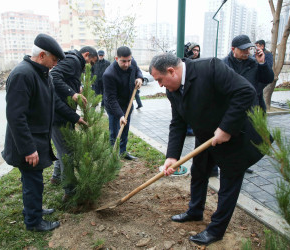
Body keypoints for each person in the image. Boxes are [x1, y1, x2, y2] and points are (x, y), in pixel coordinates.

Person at [149, 53, 266, 246]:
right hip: (206, 137)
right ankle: (195, 211)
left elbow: (246, 91)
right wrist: (171, 156)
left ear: (171, 71)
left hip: (234, 136)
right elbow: (178, 123)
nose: (160, 85)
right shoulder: (173, 90)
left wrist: (226, 127)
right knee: (199, 172)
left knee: (228, 185)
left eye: (160, 80)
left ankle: (216, 230)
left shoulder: (210, 68)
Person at [2, 33, 77, 232]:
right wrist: (28, 148)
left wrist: (75, 117)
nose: (55, 64)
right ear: (42, 55)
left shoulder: (42, 74)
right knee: (32, 182)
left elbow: (53, 103)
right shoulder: (22, 75)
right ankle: (34, 221)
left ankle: (34, 210)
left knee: (34, 181)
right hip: (26, 143)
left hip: (37, 140)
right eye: (54, 60)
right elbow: (16, 116)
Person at [49, 46, 98, 202]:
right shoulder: (74, 60)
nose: (90, 66)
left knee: (62, 148)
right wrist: (73, 93)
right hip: (59, 115)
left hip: (63, 114)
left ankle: (56, 177)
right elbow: (54, 76)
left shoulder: (72, 60)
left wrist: (77, 88)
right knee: (67, 153)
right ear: (86, 55)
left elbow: (64, 79)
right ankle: (69, 191)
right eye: (91, 62)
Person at [223, 35, 274, 174]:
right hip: (230, 108)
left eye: (249, 49)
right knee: (229, 139)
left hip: (250, 108)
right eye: (243, 49)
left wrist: (262, 63)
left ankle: (243, 164)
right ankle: (225, 165)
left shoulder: (254, 63)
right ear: (233, 49)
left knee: (246, 139)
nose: (247, 52)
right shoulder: (223, 64)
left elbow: (268, 78)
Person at [103, 46, 143, 160]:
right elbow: (111, 99)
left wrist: (139, 78)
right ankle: (113, 155)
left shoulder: (132, 62)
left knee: (125, 129)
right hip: (114, 106)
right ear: (116, 58)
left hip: (127, 103)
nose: (127, 64)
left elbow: (138, 71)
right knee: (115, 131)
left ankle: (123, 152)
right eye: (123, 61)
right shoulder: (109, 74)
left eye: (129, 61)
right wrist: (120, 115)